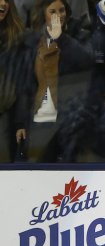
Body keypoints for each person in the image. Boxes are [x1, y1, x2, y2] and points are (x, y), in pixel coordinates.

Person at [15, 0, 94, 162]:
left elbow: (87, 60)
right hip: (42, 115)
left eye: (62, 10)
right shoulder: (33, 41)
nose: (59, 15)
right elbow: (26, 86)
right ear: (43, 14)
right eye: (53, 11)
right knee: (40, 164)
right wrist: (21, 123)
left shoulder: (79, 33)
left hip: (72, 114)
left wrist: (61, 38)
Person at [0, 0, 29, 162]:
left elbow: (22, 83)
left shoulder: (17, 38)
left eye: (7, 0)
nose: (3, 4)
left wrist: (20, 123)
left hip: (9, 115)